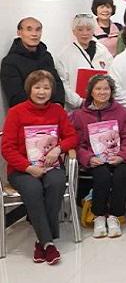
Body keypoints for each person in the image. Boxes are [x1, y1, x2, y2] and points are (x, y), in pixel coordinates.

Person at [1, 70, 78, 264]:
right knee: (34, 189)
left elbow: (72, 136)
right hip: (22, 170)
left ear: (52, 91)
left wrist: (59, 148)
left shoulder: (58, 111)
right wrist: (28, 167)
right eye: (37, 87)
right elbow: (7, 148)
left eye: (46, 87)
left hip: (50, 166)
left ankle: (40, 241)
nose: (41, 92)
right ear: (29, 89)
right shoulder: (16, 112)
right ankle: (48, 244)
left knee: (56, 183)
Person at [69, 75, 126, 238]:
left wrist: (122, 156)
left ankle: (115, 216)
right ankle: (98, 215)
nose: (102, 92)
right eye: (98, 89)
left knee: (121, 174)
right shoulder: (79, 115)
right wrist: (89, 157)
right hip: (94, 159)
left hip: (117, 156)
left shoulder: (121, 111)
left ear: (111, 91)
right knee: (102, 175)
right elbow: (77, 143)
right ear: (91, 92)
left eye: (106, 88)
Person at [1, 17, 65, 107]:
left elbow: (56, 83)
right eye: (29, 29)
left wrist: (58, 104)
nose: (34, 34)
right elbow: (15, 96)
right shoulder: (10, 62)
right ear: (19, 33)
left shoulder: (46, 56)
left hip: (51, 113)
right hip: (25, 115)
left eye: (38, 30)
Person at [54, 14, 114, 109]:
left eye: (88, 29)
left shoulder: (103, 51)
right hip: (77, 107)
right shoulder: (64, 55)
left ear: (94, 30)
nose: (85, 33)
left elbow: (112, 75)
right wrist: (79, 102)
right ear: (74, 31)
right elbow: (62, 84)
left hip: (102, 105)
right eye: (80, 29)